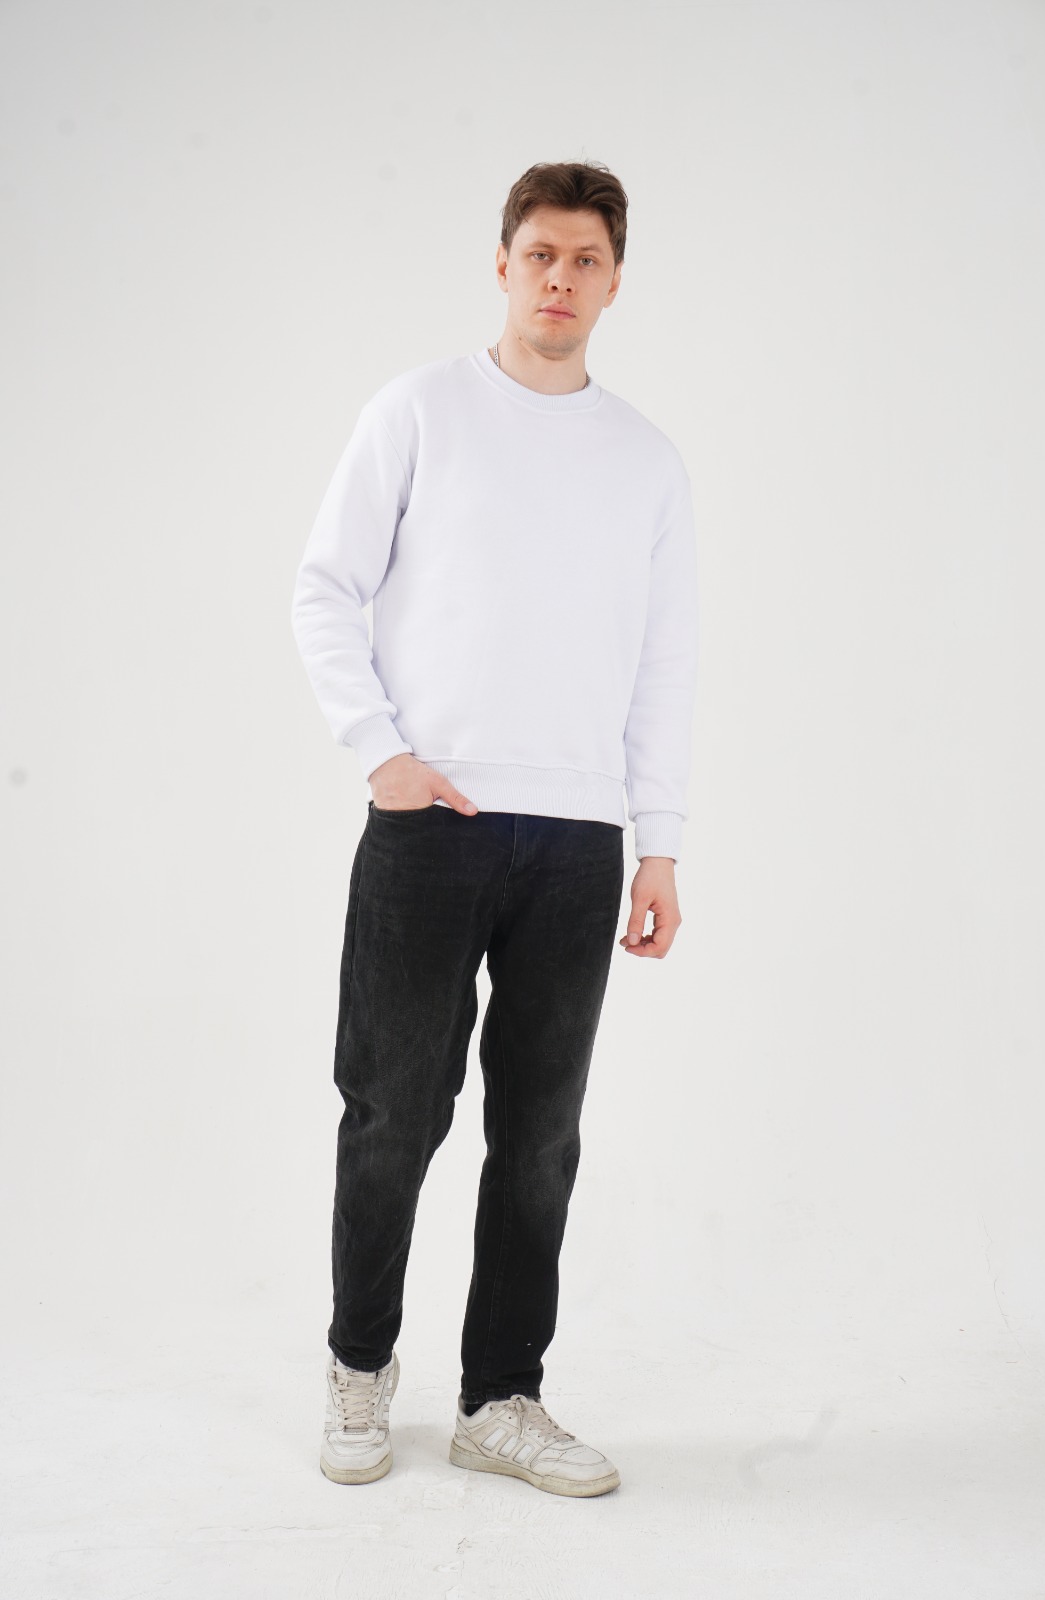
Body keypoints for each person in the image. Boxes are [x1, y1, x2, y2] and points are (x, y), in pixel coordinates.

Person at [291, 159, 699, 1498]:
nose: (559, 280)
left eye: (586, 260)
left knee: (539, 1135)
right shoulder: (420, 411)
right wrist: (381, 754)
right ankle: (359, 1369)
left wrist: (656, 841)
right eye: (540, 256)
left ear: (615, 281)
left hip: (578, 839)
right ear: (504, 264)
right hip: (434, 824)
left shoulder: (645, 461)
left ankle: (501, 1400)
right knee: (393, 1112)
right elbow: (324, 587)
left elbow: (663, 664)